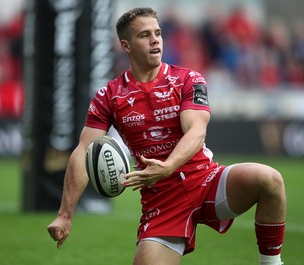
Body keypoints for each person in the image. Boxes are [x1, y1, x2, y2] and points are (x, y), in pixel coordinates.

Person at [47, 7, 286, 265]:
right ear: (126, 45)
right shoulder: (110, 95)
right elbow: (84, 150)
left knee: (269, 179)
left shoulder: (187, 79)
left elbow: (196, 131)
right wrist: (65, 214)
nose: (155, 40)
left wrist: (168, 166)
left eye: (158, 33)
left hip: (207, 182)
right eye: (145, 35)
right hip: (162, 201)